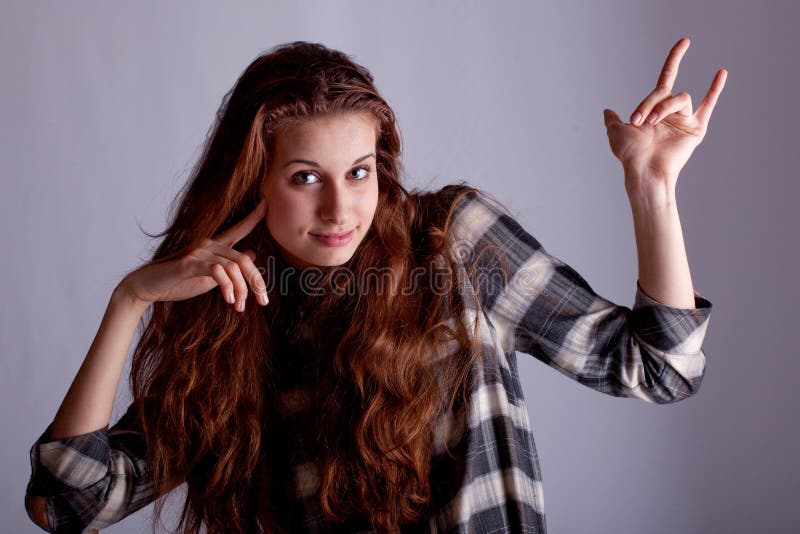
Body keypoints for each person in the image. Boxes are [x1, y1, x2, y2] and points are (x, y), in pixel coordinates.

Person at [23, 39, 725, 534]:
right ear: (253, 182)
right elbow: (67, 506)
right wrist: (130, 300)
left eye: (358, 172)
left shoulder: (453, 243)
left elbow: (659, 368)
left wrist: (652, 187)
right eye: (305, 178)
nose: (338, 210)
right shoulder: (232, 319)